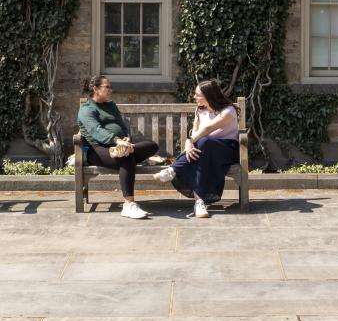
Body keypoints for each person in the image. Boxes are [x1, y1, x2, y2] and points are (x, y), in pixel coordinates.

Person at [77, 74, 160, 219]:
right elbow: (96, 131)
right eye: (107, 87)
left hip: (120, 146)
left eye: (111, 87)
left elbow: (122, 125)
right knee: (126, 158)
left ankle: (124, 151)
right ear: (96, 89)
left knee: (151, 145)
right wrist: (117, 141)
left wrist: (126, 137)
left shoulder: (111, 105)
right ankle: (128, 205)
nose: (111, 90)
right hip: (97, 149)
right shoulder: (87, 109)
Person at [154, 79, 239, 219]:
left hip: (228, 150)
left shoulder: (228, 111)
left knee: (205, 142)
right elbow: (195, 131)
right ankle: (199, 202)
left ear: (209, 95)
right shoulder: (200, 110)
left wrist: (190, 141)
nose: (194, 97)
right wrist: (190, 143)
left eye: (198, 95)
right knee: (201, 150)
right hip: (204, 151)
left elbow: (208, 128)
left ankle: (174, 169)